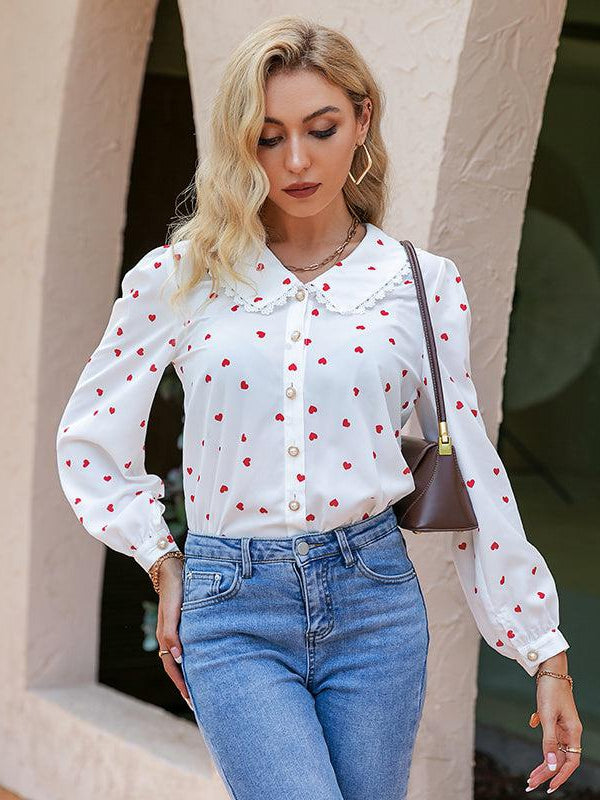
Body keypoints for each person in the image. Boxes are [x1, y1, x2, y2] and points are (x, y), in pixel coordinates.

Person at [55, 14, 583, 800]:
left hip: (374, 605)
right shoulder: (183, 277)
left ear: (361, 120)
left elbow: (472, 464)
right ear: (240, 143)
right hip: (232, 611)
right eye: (267, 137)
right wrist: (165, 562)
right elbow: (91, 440)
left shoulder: (419, 283)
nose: (296, 160)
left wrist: (544, 650)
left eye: (320, 128)